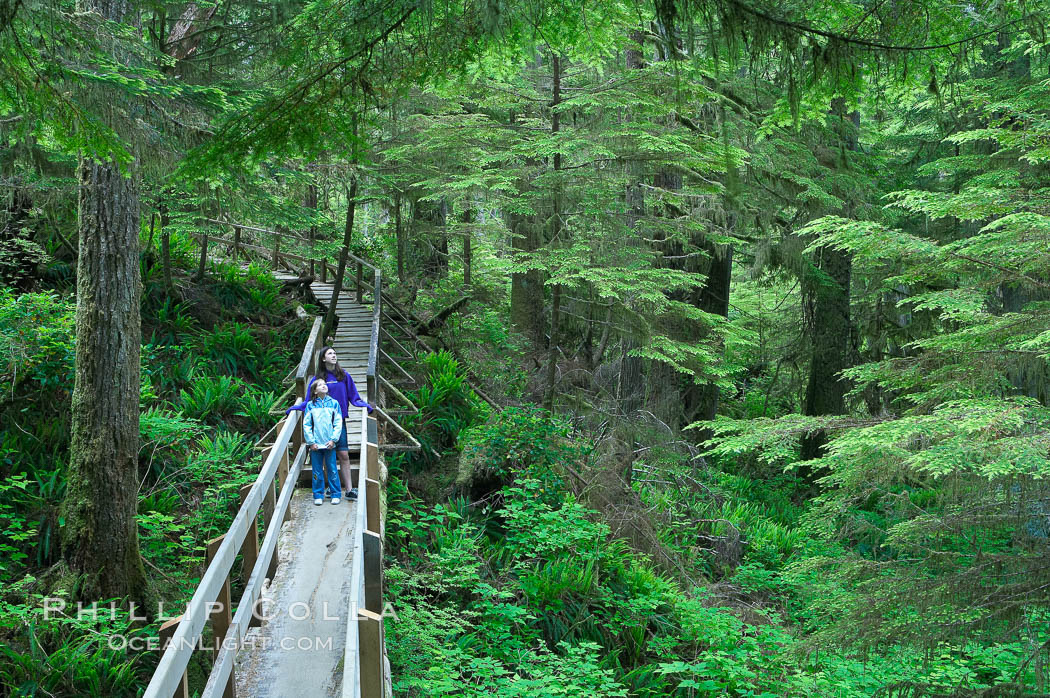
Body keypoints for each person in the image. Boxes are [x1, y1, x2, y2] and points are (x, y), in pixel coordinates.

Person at [287, 346, 373, 500]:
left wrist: (365, 405)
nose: (334, 355)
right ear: (323, 358)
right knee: (327, 453)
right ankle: (330, 488)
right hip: (322, 424)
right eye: (330, 353)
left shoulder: (343, 376)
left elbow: (354, 397)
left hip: (339, 421)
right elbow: (308, 400)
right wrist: (295, 408)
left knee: (343, 454)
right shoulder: (318, 380)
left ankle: (349, 489)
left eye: (335, 353)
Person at [303, 380, 343, 506]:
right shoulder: (310, 405)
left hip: (329, 443)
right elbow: (307, 424)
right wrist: (311, 442)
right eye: (320, 385)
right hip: (316, 444)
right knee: (316, 470)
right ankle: (318, 494)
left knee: (332, 469)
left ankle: (335, 493)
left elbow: (338, 423)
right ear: (315, 391)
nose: (324, 385)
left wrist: (333, 439)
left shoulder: (334, 403)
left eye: (324, 384)